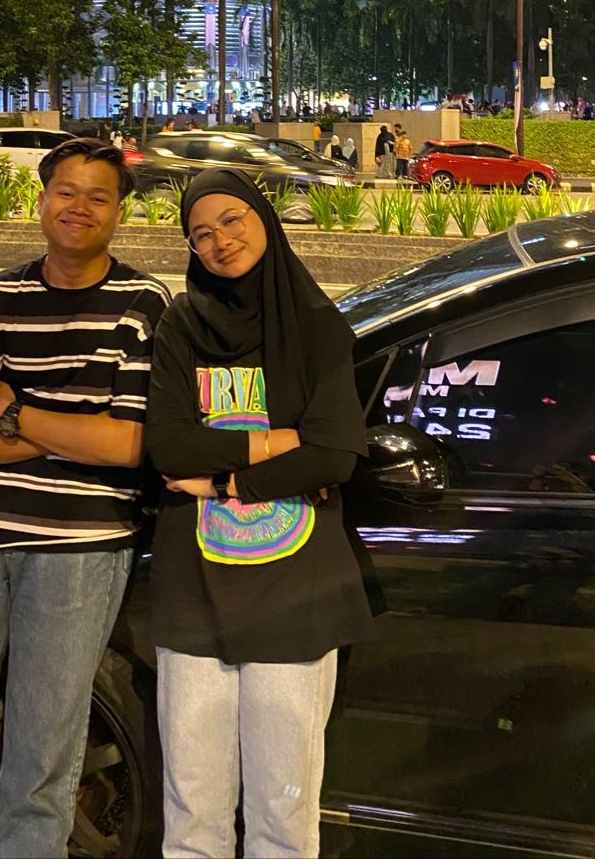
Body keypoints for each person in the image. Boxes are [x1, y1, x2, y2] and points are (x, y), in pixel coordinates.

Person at [0, 138, 171, 859]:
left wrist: (15, 413)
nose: (80, 207)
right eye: (66, 192)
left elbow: (127, 445)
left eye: (98, 196)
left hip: (78, 548)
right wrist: (73, 430)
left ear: (119, 212)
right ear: (42, 199)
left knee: (42, 759)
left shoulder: (143, 304)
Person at [145, 169, 374, 859]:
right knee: (192, 812)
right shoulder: (180, 324)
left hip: (295, 596)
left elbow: (334, 455)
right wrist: (280, 443)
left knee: (284, 811)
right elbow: (168, 446)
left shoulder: (316, 327)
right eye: (201, 233)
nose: (220, 240)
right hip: (194, 592)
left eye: (232, 219)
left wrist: (220, 482)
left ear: (264, 218)